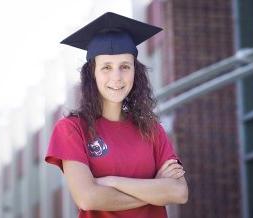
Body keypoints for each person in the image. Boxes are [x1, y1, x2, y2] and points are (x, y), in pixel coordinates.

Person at [45, 12, 188, 218]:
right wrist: (157, 189)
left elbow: (180, 192)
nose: (117, 77)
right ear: (92, 74)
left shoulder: (151, 129)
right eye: (106, 67)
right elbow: (87, 198)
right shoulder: (72, 129)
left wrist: (112, 181)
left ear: (135, 72)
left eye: (125, 67)